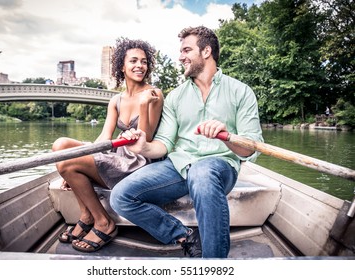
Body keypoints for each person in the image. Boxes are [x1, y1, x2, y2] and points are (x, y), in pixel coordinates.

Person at [110, 26, 263, 258]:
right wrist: (143, 146)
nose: (180, 56)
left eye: (186, 50)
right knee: (120, 196)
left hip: (220, 166)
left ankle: (213, 265)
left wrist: (228, 136)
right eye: (180, 51)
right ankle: (183, 234)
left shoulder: (241, 92)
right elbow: (163, 144)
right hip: (179, 166)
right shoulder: (175, 97)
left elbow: (250, 148)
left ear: (206, 51)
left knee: (202, 172)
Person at [52, 38, 164, 253]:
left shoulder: (153, 95)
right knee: (61, 145)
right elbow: (104, 138)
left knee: (69, 162)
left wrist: (143, 105)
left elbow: (145, 138)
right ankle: (87, 214)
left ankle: (103, 222)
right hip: (117, 152)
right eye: (133, 61)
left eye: (144, 61)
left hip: (138, 159)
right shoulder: (116, 100)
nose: (139, 66)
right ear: (122, 66)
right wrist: (74, 166)